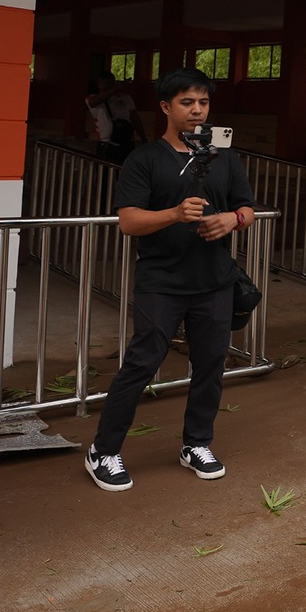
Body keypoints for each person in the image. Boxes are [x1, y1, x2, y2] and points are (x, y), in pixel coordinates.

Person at [85, 67, 255, 492]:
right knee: (142, 363)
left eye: (203, 103)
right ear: (165, 107)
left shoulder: (223, 155)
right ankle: (103, 450)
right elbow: (128, 221)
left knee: (211, 363)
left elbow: (248, 208)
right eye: (187, 103)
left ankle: (196, 443)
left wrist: (230, 220)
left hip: (215, 280)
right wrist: (176, 214)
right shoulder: (144, 160)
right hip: (161, 280)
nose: (197, 111)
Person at [86, 72, 143, 163]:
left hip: (126, 140)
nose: (108, 86)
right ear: (98, 84)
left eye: (110, 83)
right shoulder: (92, 98)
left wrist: (143, 138)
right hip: (106, 142)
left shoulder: (126, 98)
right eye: (105, 83)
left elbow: (135, 119)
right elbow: (94, 102)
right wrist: (116, 88)